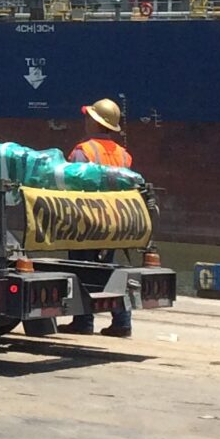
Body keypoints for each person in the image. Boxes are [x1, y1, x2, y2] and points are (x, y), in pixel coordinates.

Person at [65, 98, 137, 338]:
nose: (85, 121)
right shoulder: (124, 155)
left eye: (88, 117)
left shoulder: (83, 151)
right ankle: (122, 322)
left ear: (96, 123)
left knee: (81, 269)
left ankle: (83, 321)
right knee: (109, 269)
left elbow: (71, 185)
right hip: (115, 221)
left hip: (87, 220)